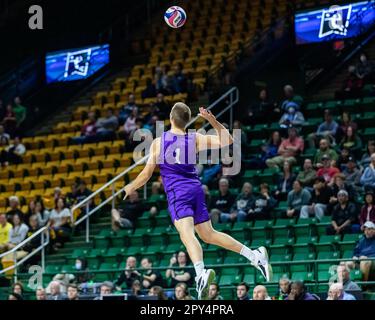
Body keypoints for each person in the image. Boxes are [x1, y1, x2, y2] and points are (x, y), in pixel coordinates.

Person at [121, 103, 272, 300]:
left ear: (171, 117)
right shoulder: (194, 138)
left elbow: (146, 174)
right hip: (195, 189)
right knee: (208, 234)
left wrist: (130, 187)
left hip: (178, 192)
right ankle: (254, 256)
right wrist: (212, 120)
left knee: (186, 234)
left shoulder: (159, 141)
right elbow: (226, 140)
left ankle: (201, 273)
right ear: (187, 120)